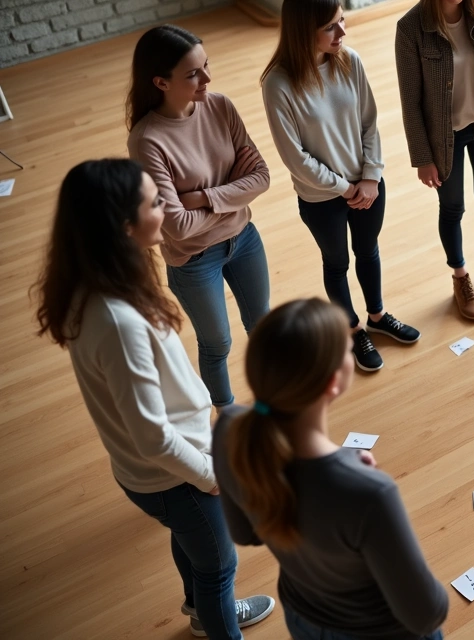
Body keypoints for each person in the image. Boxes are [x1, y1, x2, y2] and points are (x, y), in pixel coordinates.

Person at [34, 159, 275, 639]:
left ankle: (201, 611)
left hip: (160, 473)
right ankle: (217, 621)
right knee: (218, 565)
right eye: (154, 202)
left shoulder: (100, 286)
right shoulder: (118, 321)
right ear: (123, 227)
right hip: (173, 476)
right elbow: (151, 436)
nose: (167, 206)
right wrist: (210, 479)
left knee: (194, 544)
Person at [212, 298, 449, 639]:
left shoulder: (229, 428)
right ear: (331, 384)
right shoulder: (371, 494)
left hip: (303, 618)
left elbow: (244, 534)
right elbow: (427, 614)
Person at [263, 0, 421, 373]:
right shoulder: (278, 84)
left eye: (342, 21)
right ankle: (351, 329)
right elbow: (295, 157)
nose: (343, 32)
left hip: (366, 185)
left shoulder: (350, 60)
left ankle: (378, 317)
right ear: (305, 31)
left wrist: (370, 176)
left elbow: (370, 122)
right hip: (322, 197)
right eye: (331, 27)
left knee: (369, 251)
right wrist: (345, 189)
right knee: (337, 262)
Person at [126, 25, 272, 408]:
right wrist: (232, 196)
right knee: (216, 342)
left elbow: (262, 177)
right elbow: (175, 225)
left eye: (206, 66)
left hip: (244, 238)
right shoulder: (147, 141)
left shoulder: (220, 105)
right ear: (160, 82)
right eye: (193, 74)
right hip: (193, 259)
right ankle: (224, 414)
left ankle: (274, 402)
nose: (207, 78)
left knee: (263, 326)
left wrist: (203, 197)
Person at [394, 0, 474, 321]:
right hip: (444, 138)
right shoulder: (411, 28)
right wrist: (422, 157)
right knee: (452, 207)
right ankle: (461, 278)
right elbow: (410, 102)